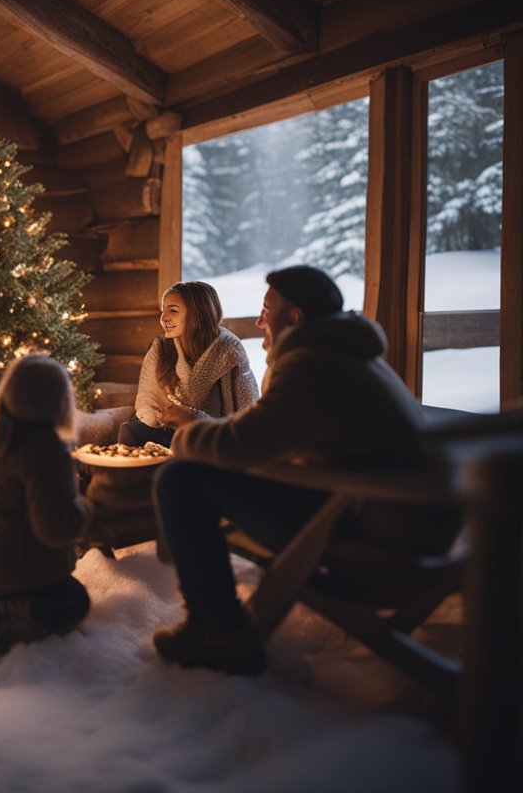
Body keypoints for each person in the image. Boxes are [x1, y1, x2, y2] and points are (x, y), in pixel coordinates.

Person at [151, 265, 453, 675]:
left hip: (371, 535)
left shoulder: (311, 363)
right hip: (398, 520)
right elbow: (267, 433)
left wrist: (188, 435)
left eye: (266, 309)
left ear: (293, 317)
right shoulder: (348, 356)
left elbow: (242, 445)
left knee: (180, 480)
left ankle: (216, 629)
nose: (259, 321)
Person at [0, 354, 95, 657]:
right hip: (11, 569)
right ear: (58, 401)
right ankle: (5, 618)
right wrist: (90, 509)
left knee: (66, 589)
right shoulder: (46, 450)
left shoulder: (1, 436)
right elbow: (53, 529)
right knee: (75, 601)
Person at [119, 281, 258, 447]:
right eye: (163, 310)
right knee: (130, 431)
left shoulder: (228, 350)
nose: (164, 318)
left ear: (198, 314)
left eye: (173, 310)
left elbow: (247, 409)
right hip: (167, 430)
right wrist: (160, 421)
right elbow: (147, 400)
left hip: (210, 434)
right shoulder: (161, 347)